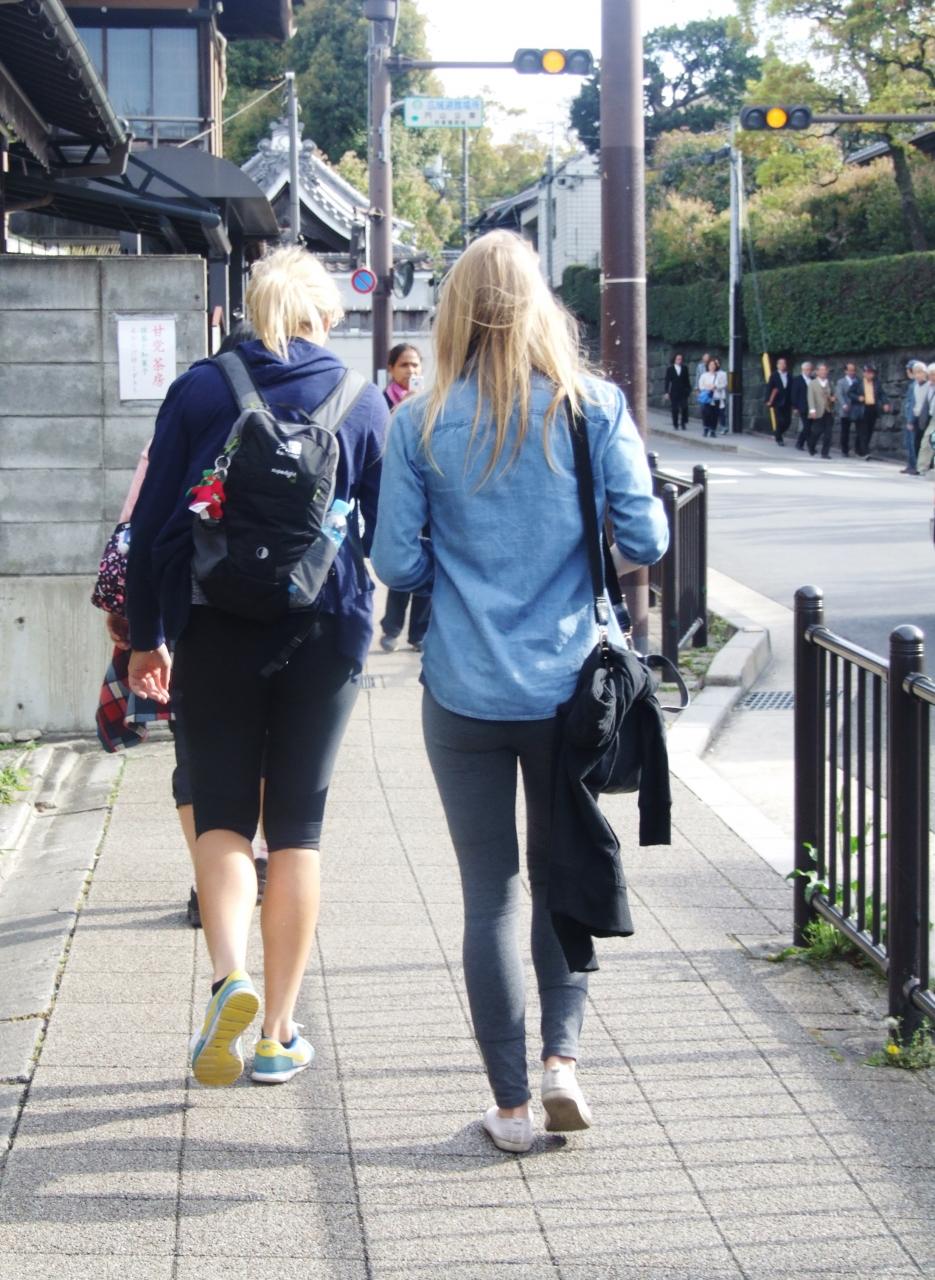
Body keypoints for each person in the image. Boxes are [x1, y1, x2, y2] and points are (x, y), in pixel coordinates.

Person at [371, 230, 668, 1154]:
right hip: (568, 693)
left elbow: (395, 563)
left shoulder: (419, 421)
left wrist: (464, 571)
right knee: (560, 873)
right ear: (541, 305)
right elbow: (645, 539)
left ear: (454, 312)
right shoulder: (592, 406)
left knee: (488, 898)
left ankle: (506, 1109)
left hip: (463, 689)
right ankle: (561, 1066)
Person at [125, 246, 388, 1088]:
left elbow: (152, 524)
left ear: (250, 308)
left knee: (224, 819)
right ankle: (276, 1036)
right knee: (298, 832)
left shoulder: (202, 389)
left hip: (213, 625)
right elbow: (389, 535)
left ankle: (228, 975)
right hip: (324, 631)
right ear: (324, 317)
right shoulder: (361, 400)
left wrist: (145, 637)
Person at [379, 343, 431, 652]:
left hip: (427, 491)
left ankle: (419, 632)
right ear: (391, 368)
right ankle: (392, 626)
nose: (410, 371)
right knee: (402, 558)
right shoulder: (381, 401)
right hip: (396, 489)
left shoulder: (430, 402)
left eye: (415, 365)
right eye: (404, 365)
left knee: (428, 558)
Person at [850, 363, 892, 458]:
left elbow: (882, 394)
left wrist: (885, 403)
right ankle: (865, 451)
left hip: (872, 408)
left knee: (869, 430)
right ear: (864, 373)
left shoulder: (877, 383)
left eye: (872, 373)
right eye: (868, 372)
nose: (870, 375)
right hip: (861, 408)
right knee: (862, 430)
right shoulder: (858, 382)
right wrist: (858, 398)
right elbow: (850, 393)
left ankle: (858, 449)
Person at [902, 360, 928, 474]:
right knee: (912, 442)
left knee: (917, 442)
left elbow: (916, 403)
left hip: (921, 417)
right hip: (914, 416)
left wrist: (910, 419)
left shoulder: (923, 385)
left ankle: (916, 465)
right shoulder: (915, 385)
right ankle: (912, 465)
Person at [806, 362, 835, 458]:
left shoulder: (830, 383)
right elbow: (810, 397)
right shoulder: (813, 383)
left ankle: (825, 453)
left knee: (828, 433)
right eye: (821, 370)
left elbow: (833, 394)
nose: (823, 372)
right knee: (816, 431)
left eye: (825, 370)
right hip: (818, 410)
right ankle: (811, 446)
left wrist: (833, 399)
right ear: (817, 372)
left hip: (828, 410)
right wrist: (812, 410)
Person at [765, 356, 792, 446]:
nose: (782, 365)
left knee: (788, 422)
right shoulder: (774, 375)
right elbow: (769, 388)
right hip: (777, 401)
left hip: (787, 402)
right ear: (777, 365)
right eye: (780, 363)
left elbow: (792, 389)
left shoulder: (789, 375)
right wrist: (768, 400)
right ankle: (779, 439)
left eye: (784, 363)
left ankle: (777, 433)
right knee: (780, 420)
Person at [836, 362, 859, 457]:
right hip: (846, 408)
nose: (852, 372)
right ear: (845, 371)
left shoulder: (858, 381)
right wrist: (843, 405)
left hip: (856, 408)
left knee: (859, 430)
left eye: (853, 370)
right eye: (850, 370)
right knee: (845, 430)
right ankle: (844, 450)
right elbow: (839, 394)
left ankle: (858, 449)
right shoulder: (841, 382)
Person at [663, 352, 691, 430]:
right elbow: (667, 381)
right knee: (675, 409)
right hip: (674, 392)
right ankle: (675, 424)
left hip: (683, 391)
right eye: (678, 359)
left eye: (680, 359)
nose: (679, 360)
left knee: (684, 407)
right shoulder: (670, 369)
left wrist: (689, 389)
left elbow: (687, 380)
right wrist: (666, 392)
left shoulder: (685, 368)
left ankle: (683, 423)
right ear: (674, 360)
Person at [791, 361, 814, 451]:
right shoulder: (797, 380)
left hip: (812, 407)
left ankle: (800, 443)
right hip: (802, 406)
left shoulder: (813, 379)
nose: (808, 371)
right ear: (803, 370)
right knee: (807, 426)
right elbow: (794, 394)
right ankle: (810, 445)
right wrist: (795, 407)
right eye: (807, 369)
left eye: (810, 369)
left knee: (809, 426)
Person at [697, 358, 721, 438]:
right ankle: (706, 428)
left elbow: (723, 385)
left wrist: (716, 387)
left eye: (713, 365)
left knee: (715, 415)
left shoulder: (719, 375)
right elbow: (701, 385)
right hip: (707, 398)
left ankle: (713, 430)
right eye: (710, 365)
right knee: (706, 414)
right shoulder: (704, 375)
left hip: (716, 397)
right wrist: (708, 387)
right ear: (708, 366)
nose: (712, 366)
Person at [713, 357, 729, 435]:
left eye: (717, 363)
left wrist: (716, 386)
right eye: (715, 363)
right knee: (712, 412)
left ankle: (723, 427)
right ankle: (713, 427)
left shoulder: (723, 373)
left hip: (720, 396)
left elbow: (725, 384)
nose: (716, 365)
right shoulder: (709, 373)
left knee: (721, 412)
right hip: (711, 396)